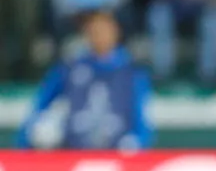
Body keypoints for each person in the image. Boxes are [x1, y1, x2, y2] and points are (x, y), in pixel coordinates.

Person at [17, 10, 152, 151]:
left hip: (116, 154)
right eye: (94, 31)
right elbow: (40, 107)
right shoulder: (69, 69)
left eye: (104, 30)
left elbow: (141, 119)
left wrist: (135, 143)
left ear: (115, 32)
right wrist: (26, 143)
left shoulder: (132, 73)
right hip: (73, 152)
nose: (99, 36)